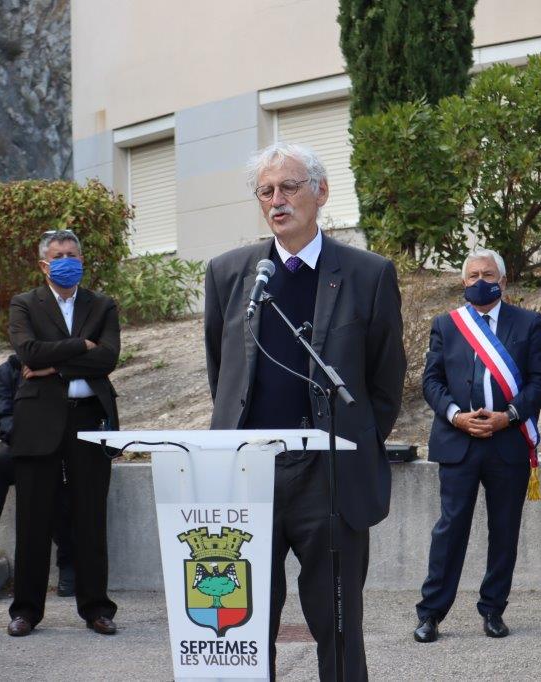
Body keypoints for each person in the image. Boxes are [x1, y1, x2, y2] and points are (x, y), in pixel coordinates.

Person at [204, 142, 406, 680]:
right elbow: (223, 376)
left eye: (289, 187)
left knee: (337, 625)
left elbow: (385, 381)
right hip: (248, 473)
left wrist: (351, 438)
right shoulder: (228, 274)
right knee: (241, 624)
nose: (277, 200)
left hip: (329, 475)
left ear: (321, 192)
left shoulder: (367, 274)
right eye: (266, 191)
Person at [413, 248, 541, 643]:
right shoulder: (446, 324)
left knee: (504, 530)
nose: (480, 281)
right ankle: (431, 614)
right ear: (463, 282)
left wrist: (509, 416)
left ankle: (493, 610)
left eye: (487, 274)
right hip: (458, 441)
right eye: (473, 275)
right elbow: (431, 381)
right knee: (450, 529)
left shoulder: (527, 323)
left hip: (507, 442)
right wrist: (456, 415)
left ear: (503, 281)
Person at [6, 229, 121, 638]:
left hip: (89, 419)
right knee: (33, 519)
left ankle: (96, 608)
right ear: (44, 264)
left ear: (82, 260)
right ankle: (25, 611)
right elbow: (28, 352)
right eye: (59, 256)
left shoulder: (102, 305)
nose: (67, 261)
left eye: (73, 254)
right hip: (39, 421)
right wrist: (82, 347)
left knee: (91, 517)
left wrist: (54, 366)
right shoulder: (24, 304)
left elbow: (108, 358)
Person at [0, 354, 77, 597]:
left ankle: (68, 561)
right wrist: (27, 438)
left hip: (61, 445)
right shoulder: (7, 371)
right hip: (21, 442)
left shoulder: (61, 367)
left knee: (54, 479)